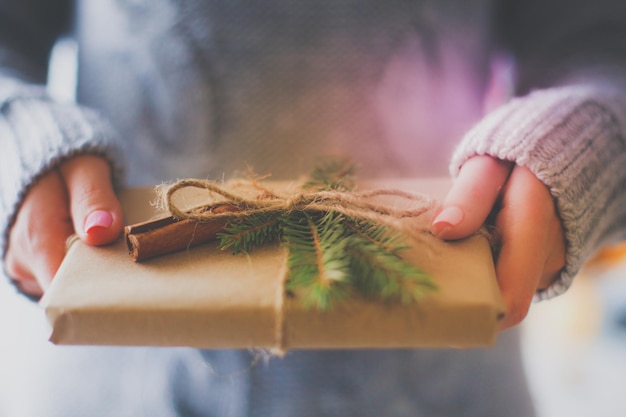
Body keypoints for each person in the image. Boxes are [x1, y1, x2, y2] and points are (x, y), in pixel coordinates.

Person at [1, 0, 625, 416]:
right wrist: (17, 133)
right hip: (106, 389)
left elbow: (600, 42)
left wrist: (583, 137)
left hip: (450, 386)